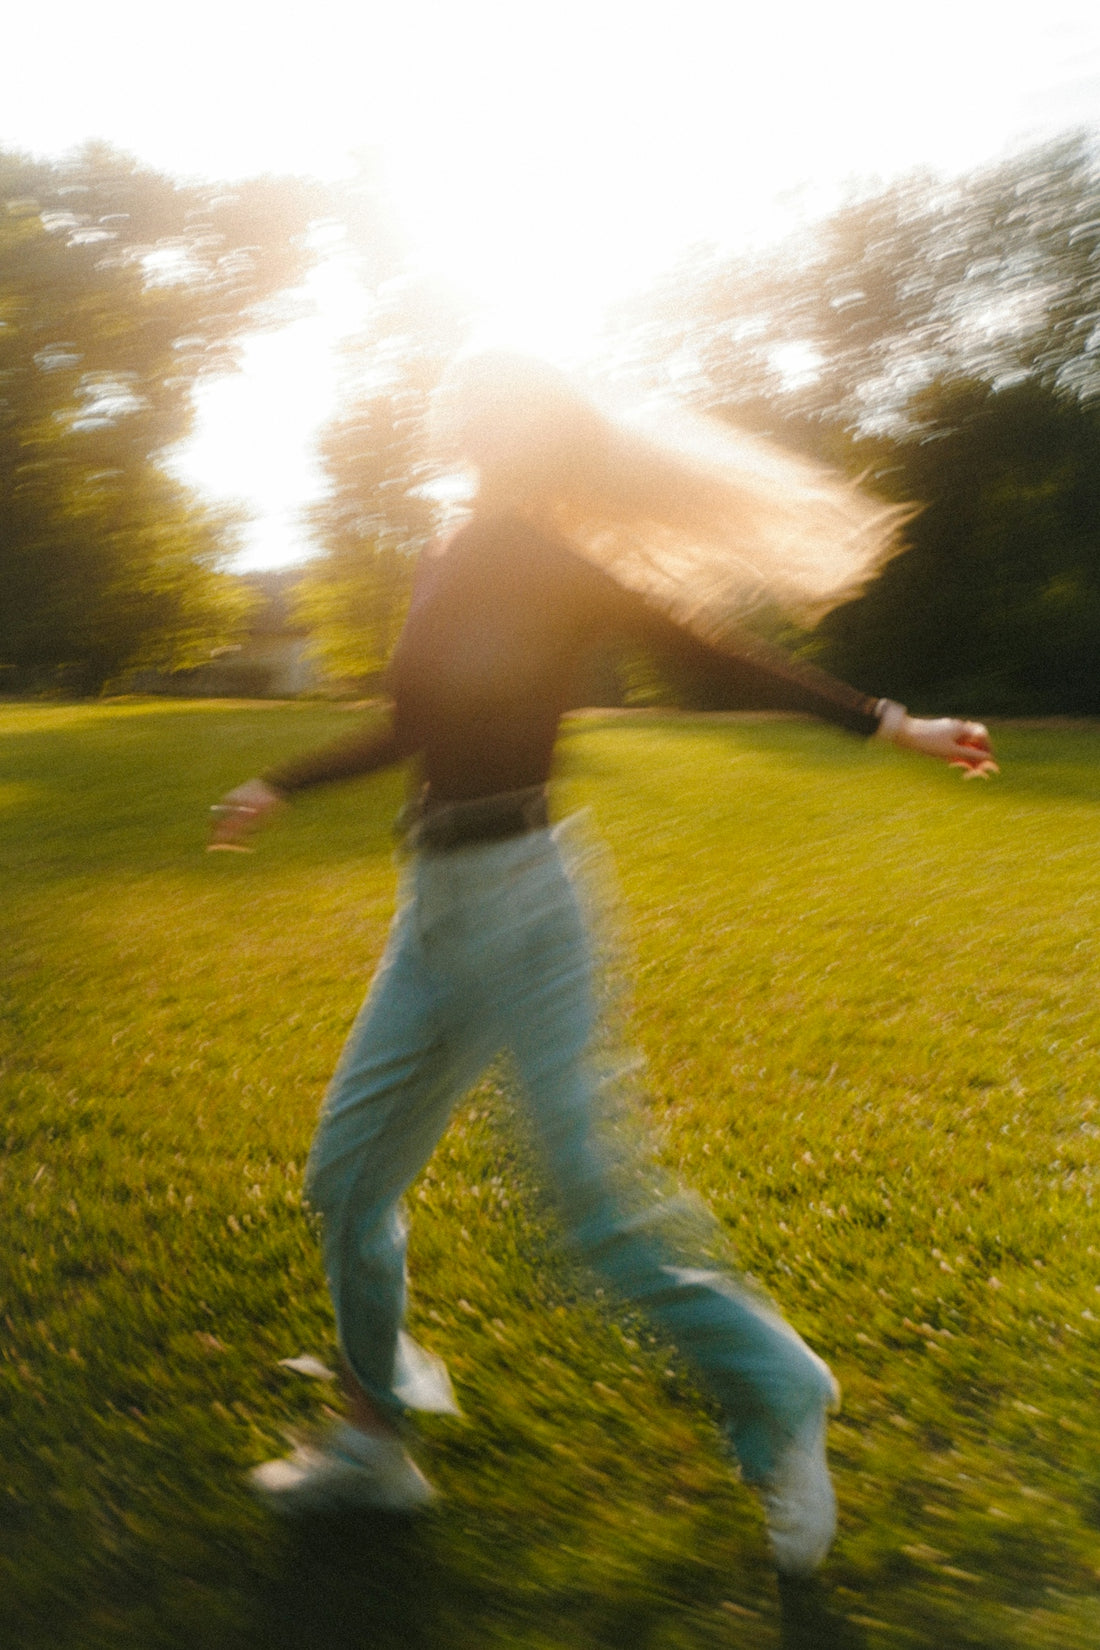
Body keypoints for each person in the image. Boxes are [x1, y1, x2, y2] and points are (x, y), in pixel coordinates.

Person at [210, 353, 996, 1576]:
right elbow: (419, 727)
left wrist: (895, 725)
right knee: (348, 1183)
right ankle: (374, 1438)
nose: (456, 395)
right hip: (434, 907)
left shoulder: (541, 559)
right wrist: (278, 783)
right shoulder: (451, 553)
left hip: (525, 903)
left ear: (517, 434)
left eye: (482, 392)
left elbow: (707, 655)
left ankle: (777, 1386)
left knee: (584, 1209)